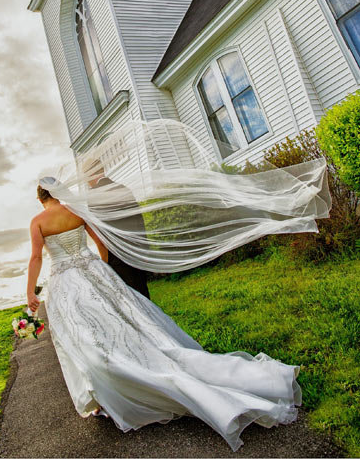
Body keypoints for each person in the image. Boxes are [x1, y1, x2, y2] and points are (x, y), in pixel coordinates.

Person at [26, 182, 303, 452]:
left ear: (41, 199)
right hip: (95, 272)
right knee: (127, 323)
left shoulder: (38, 221)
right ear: (58, 192)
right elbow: (102, 243)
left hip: (68, 284)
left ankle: (103, 397)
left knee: (84, 337)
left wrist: (31, 293)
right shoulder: (78, 212)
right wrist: (104, 272)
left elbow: (36, 257)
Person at [84, 157, 150, 299]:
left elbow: (100, 230)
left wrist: (105, 259)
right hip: (136, 247)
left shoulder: (93, 196)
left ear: (90, 175)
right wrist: (145, 246)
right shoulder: (122, 187)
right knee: (142, 289)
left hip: (116, 253)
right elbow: (139, 218)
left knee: (130, 295)